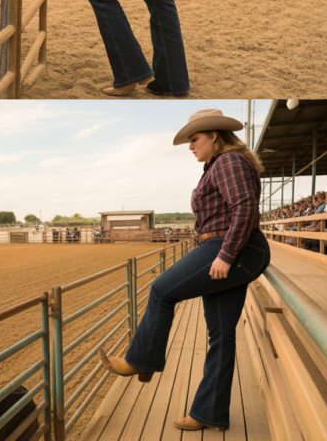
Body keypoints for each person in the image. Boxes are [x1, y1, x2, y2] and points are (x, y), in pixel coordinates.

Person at [98, 108, 270, 433]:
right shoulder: (217, 166)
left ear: (214, 136)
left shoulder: (228, 162)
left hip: (229, 247)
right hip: (233, 248)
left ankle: (140, 360)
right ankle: (208, 414)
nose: (191, 146)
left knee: (161, 290)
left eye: (195, 139)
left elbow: (244, 206)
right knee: (222, 335)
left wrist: (226, 254)